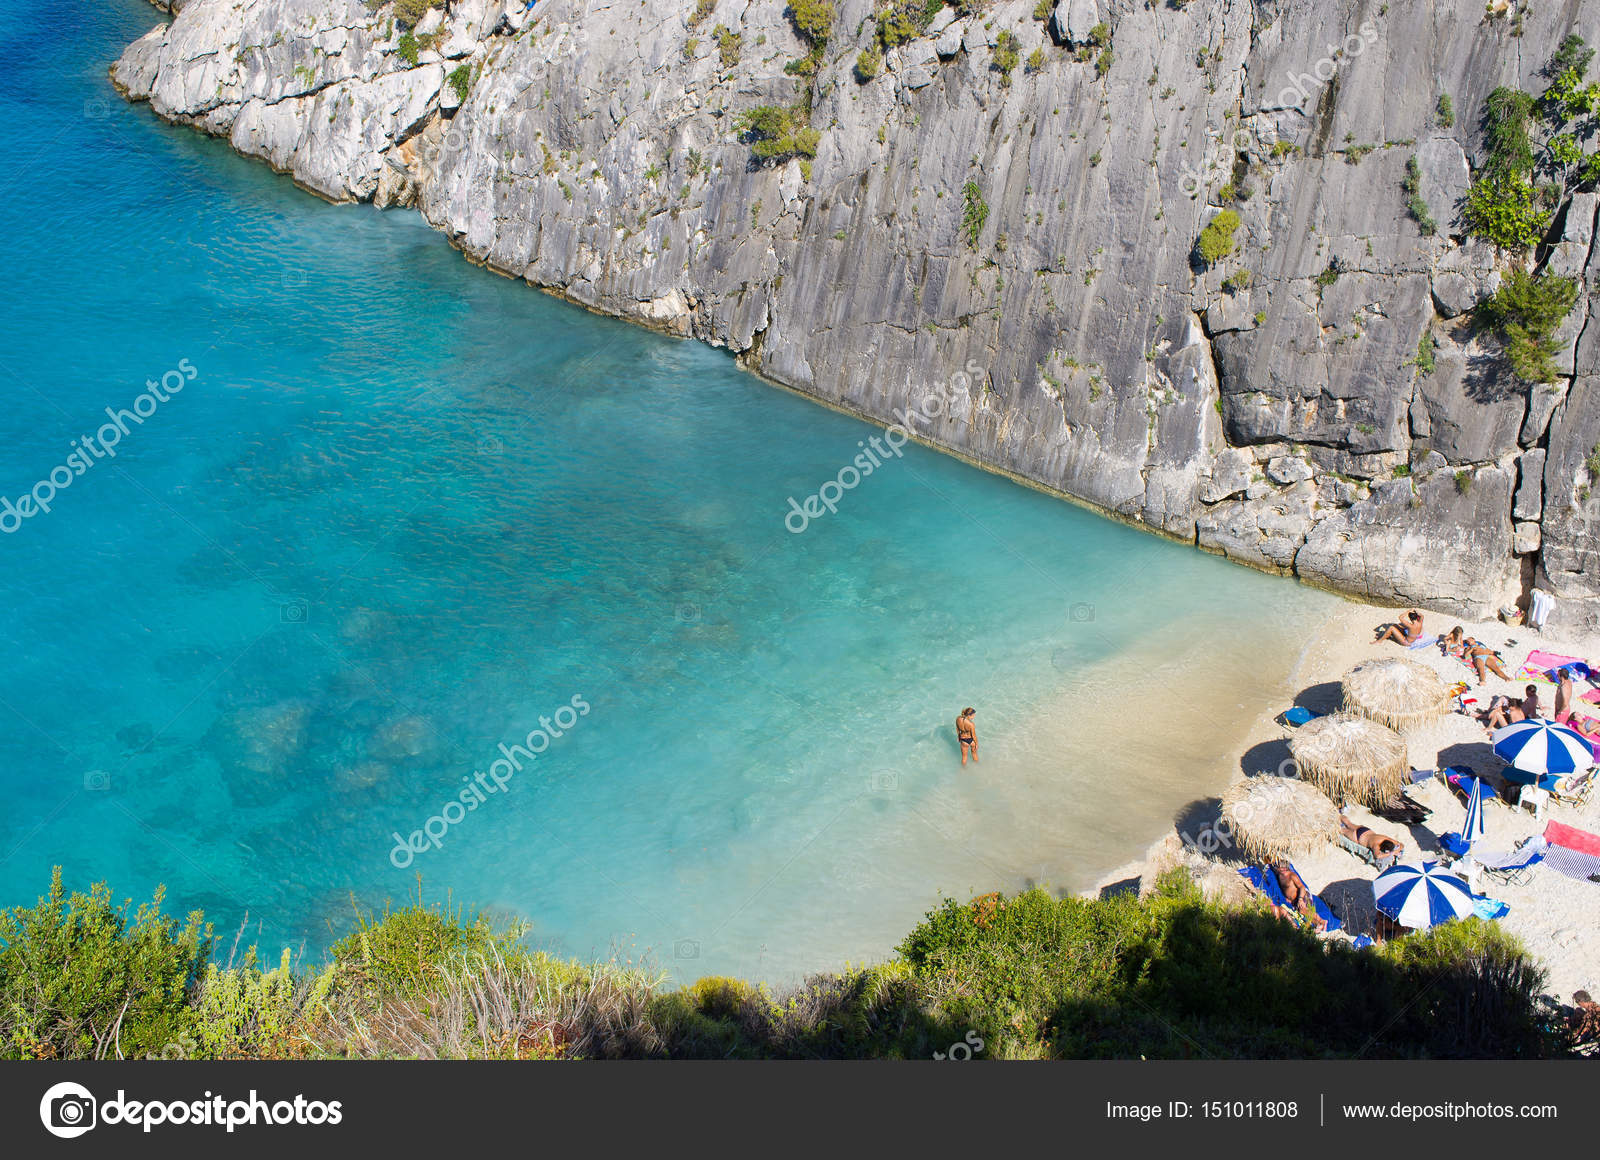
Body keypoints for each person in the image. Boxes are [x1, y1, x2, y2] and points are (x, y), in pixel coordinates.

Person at [1272, 862, 1327, 932]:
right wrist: (1288, 898)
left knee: (1302, 909)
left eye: (1277, 868)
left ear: (1284, 868)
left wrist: (1300, 899)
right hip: (1293, 900)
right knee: (1301, 912)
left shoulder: (1291, 875)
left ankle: (1322, 921)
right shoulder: (1280, 875)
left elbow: (1302, 887)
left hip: (1302, 895)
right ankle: (1318, 925)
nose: (1276, 869)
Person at [1338, 815, 1405, 859]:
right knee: (1342, 830)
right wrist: (1392, 853)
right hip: (1358, 837)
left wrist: (1398, 849)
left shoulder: (1386, 838)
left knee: (1349, 823)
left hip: (1364, 830)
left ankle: (1338, 815)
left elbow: (1402, 845)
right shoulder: (1376, 846)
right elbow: (1377, 856)